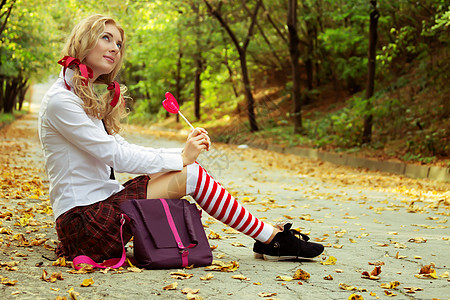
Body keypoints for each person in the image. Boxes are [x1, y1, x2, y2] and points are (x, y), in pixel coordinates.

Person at [38, 14, 324, 264]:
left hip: (99, 209)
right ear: (84, 40)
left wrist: (180, 153)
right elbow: (116, 156)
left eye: (119, 44)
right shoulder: (62, 101)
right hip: (84, 224)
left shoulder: (78, 95)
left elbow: (121, 148)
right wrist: (182, 158)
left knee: (187, 172)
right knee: (192, 175)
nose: (115, 47)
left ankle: (268, 237)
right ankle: (271, 239)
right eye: (106, 37)